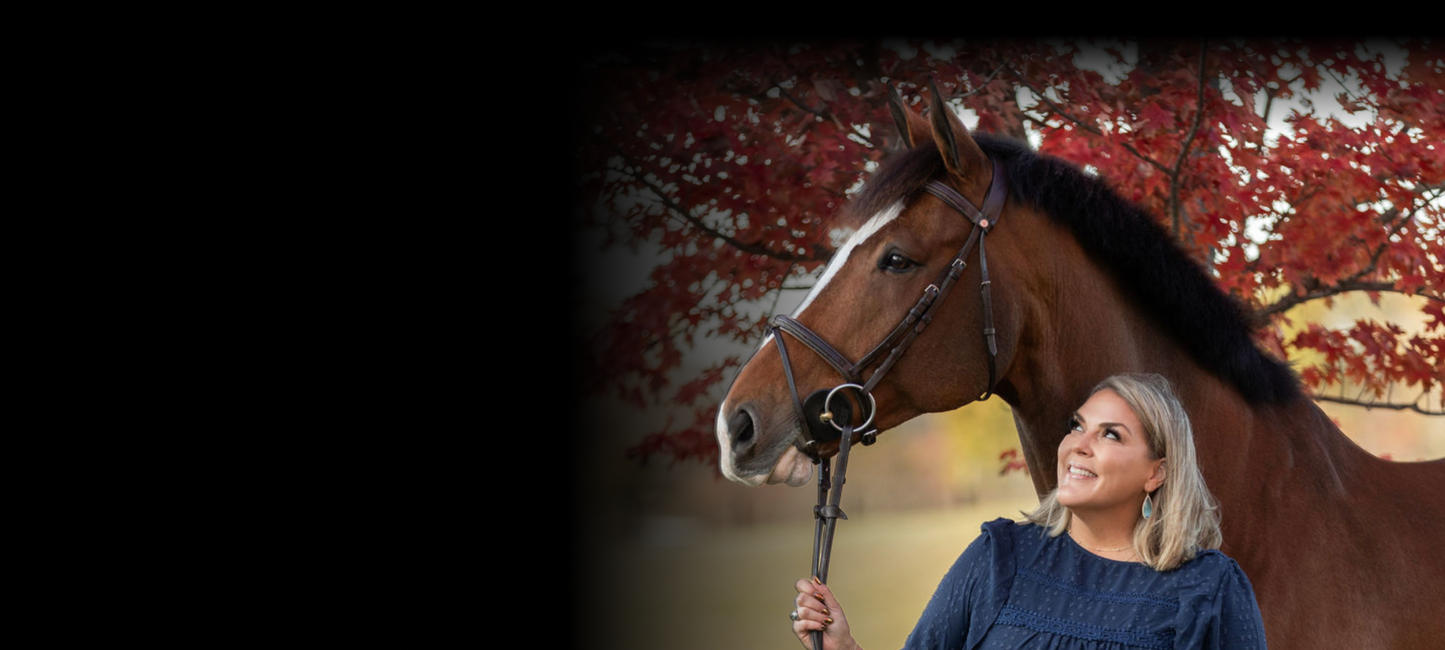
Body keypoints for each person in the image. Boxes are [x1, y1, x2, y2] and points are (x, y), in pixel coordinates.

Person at [789, 373, 1267, 649]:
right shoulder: (1000, 558)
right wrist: (844, 647)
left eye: (1111, 434)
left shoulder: (1209, 588)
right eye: (1077, 426)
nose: (1079, 445)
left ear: (1156, 473)